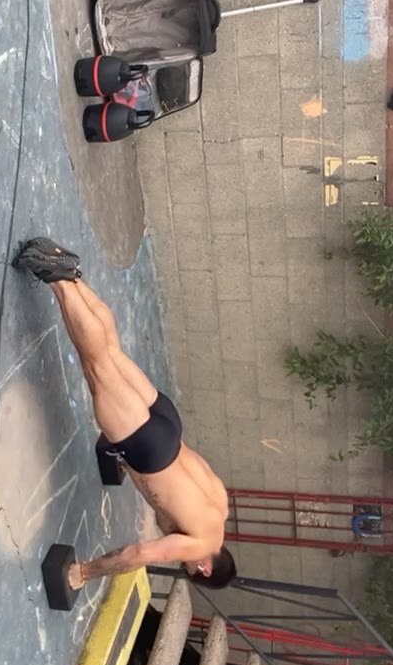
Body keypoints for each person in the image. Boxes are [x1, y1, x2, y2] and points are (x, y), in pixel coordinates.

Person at [13, 237, 236, 592]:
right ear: (205, 569)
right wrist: (85, 572)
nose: (186, 564)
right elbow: (139, 553)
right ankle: (57, 276)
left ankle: (72, 277)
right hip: (147, 448)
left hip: (168, 425)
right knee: (96, 363)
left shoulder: (221, 507)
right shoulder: (198, 546)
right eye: (190, 569)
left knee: (111, 353)